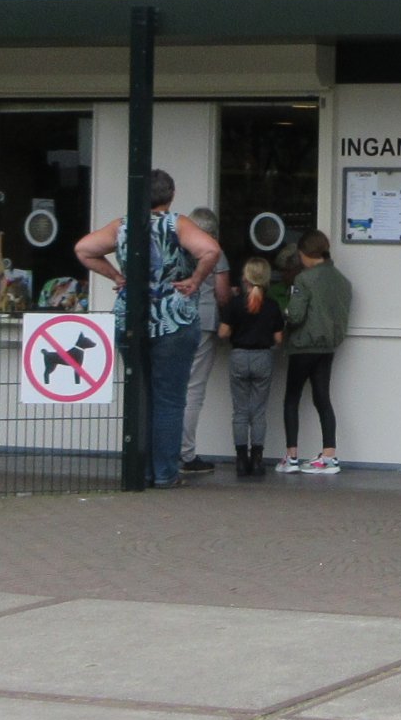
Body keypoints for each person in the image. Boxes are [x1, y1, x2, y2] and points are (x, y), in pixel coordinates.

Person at [75, 170, 223, 487]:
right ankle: (166, 473)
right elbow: (210, 250)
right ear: (171, 195)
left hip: (131, 316)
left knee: (139, 394)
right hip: (175, 318)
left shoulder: (123, 225)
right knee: (169, 400)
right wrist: (195, 281)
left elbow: (84, 249)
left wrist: (117, 277)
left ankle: (139, 470)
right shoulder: (178, 224)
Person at [280, 227, 353, 475]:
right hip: (328, 346)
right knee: (322, 398)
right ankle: (329, 455)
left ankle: (291, 457)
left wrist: (285, 314)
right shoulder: (342, 281)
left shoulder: (304, 279)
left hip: (303, 346)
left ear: (306, 253)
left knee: (292, 398)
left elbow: (297, 315)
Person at [220, 257, 288, 479]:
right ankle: (257, 460)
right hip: (263, 357)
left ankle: (241, 460)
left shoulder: (235, 303)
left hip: (239, 356)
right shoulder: (271, 305)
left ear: (245, 277)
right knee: (258, 412)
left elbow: (223, 333)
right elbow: (279, 338)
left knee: (240, 411)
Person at [177, 204, 231, 475]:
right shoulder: (213, 251)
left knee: (170, 387)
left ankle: (161, 450)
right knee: (193, 390)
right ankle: (186, 454)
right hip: (204, 321)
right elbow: (222, 294)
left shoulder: (175, 249)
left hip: (172, 320)